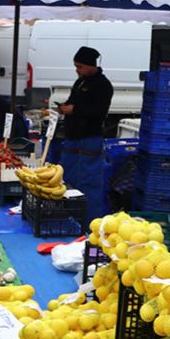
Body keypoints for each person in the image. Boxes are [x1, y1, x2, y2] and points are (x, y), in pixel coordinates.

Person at [57, 46, 114, 223]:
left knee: (89, 186)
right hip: (72, 142)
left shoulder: (103, 85)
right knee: (67, 182)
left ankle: (90, 225)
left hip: (89, 141)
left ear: (91, 65)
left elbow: (99, 111)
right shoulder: (80, 82)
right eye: (76, 66)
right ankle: (67, 220)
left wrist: (74, 110)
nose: (77, 70)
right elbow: (73, 102)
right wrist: (64, 107)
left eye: (80, 66)